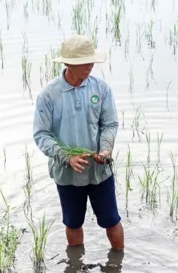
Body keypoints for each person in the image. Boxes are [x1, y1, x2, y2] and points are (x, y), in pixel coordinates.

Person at [33, 35, 124, 251]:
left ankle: (117, 268)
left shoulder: (100, 89)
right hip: (67, 174)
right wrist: (67, 157)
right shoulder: (49, 95)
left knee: (111, 219)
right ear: (68, 64)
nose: (90, 66)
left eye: (91, 61)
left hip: (99, 170)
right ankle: (75, 271)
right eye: (84, 62)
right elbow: (41, 134)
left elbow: (109, 124)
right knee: (73, 222)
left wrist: (105, 149)